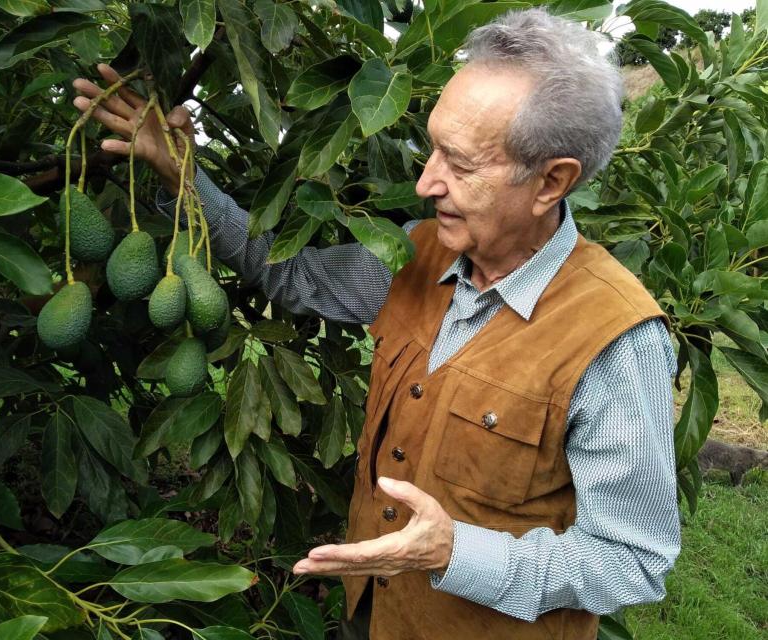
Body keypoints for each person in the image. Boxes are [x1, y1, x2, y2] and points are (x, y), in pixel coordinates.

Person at [72, 8, 680, 640]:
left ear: (552, 181)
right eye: (432, 147)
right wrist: (184, 175)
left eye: (461, 164)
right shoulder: (415, 255)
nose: (426, 182)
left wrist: (455, 553)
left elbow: (631, 561)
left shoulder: (615, 339)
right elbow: (293, 275)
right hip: (370, 616)